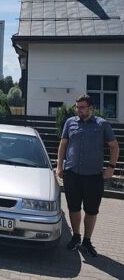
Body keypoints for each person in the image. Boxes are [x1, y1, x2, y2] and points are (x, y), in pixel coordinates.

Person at [57, 94, 120, 257]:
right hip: (72, 174)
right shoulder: (70, 122)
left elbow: (114, 146)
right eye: (77, 107)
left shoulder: (102, 124)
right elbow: (63, 145)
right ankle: (76, 236)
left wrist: (111, 167)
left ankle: (87, 240)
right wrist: (59, 166)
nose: (78, 110)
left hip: (93, 176)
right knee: (73, 207)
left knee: (91, 210)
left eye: (82, 107)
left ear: (91, 108)